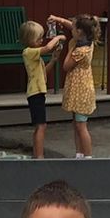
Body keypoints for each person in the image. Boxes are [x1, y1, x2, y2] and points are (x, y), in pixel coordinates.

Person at [48, 13, 101, 158]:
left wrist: (70, 46)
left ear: (79, 32)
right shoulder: (87, 39)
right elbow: (70, 24)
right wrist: (58, 19)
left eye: (73, 29)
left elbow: (66, 66)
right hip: (77, 87)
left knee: (81, 126)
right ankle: (79, 154)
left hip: (81, 89)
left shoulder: (80, 50)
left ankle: (88, 156)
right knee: (76, 124)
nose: (70, 30)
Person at [21, 19, 67, 158]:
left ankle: (37, 155)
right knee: (41, 126)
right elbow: (47, 48)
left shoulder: (35, 56)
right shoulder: (28, 52)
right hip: (35, 93)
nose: (41, 40)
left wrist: (53, 60)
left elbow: (43, 72)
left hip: (38, 92)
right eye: (38, 38)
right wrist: (58, 37)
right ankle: (39, 156)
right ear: (29, 39)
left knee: (40, 126)